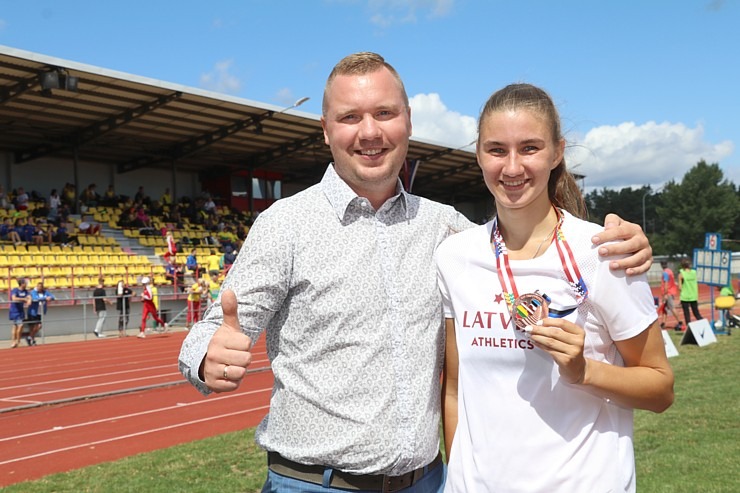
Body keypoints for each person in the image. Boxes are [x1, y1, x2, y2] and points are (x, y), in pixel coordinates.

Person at [178, 53, 654, 493]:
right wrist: (205, 357)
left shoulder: (448, 229)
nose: (369, 132)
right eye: (350, 117)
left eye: (384, 113)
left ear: (407, 120)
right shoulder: (285, 224)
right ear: (326, 130)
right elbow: (215, 329)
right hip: (314, 483)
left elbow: (528, 235)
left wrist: (616, 236)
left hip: (427, 482)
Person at [436, 83, 674, 493]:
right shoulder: (454, 256)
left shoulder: (603, 253)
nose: (512, 168)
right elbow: (457, 390)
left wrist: (585, 372)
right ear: (478, 154)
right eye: (496, 150)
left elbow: (660, 388)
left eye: (529, 148)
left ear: (557, 152)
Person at [26, 281, 55, 346]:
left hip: (40, 312)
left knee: (39, 326)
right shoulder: (33, 292)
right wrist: (45, 298)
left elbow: (52, 296)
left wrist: (50, 298)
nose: (39, 288)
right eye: (38, 287)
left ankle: (30, 337)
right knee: (32, 327)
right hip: (33, 311)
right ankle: (32, 340)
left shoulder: (45, 292)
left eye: (41, 287)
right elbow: (35, 298)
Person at [678, 258, 703, 330]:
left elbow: (680, 287)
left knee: (687, 314)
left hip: (685, 296)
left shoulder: (681, 274)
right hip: (693, 295)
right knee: (696, 313)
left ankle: (689, 329)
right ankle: (704, 325)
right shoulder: (694, 272)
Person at [660, 260, 683, 331]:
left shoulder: (665, 273)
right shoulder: (670, 271)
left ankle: (679, 321)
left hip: (668, 293)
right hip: (672, 291)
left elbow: (666, 283)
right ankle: (663, 323)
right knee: (664, 309)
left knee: (672, 307)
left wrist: (665, 294)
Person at [9, 278, 30, 348]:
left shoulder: (26, 291)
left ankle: (14, 342)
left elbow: (29, 297)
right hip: (14, 310)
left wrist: (29, 300)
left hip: (21, 310)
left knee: (15, 326)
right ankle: (17, 341)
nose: (26, 284)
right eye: (25, 283)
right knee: (20, 325)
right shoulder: (15, 290)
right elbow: (14, 298)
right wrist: (24, 299)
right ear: (22, 284)